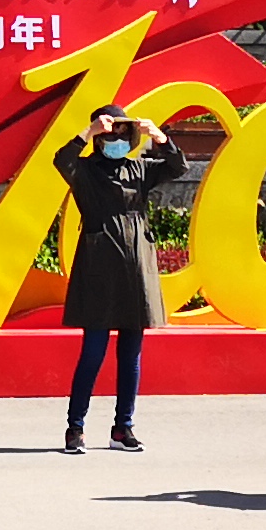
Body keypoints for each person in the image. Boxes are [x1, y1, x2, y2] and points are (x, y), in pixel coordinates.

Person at [51, 104, 187, 455]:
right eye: (110, 133)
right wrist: (89, 131)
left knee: (131, 354)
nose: (116, 138)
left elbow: (177, 167)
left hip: (136, 264)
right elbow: (61, 160)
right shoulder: (86, 170)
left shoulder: (139, 168)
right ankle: (75, 427)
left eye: (123, 132)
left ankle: (123, 427)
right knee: (93, 351)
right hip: (99, 262)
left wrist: (160, 137)